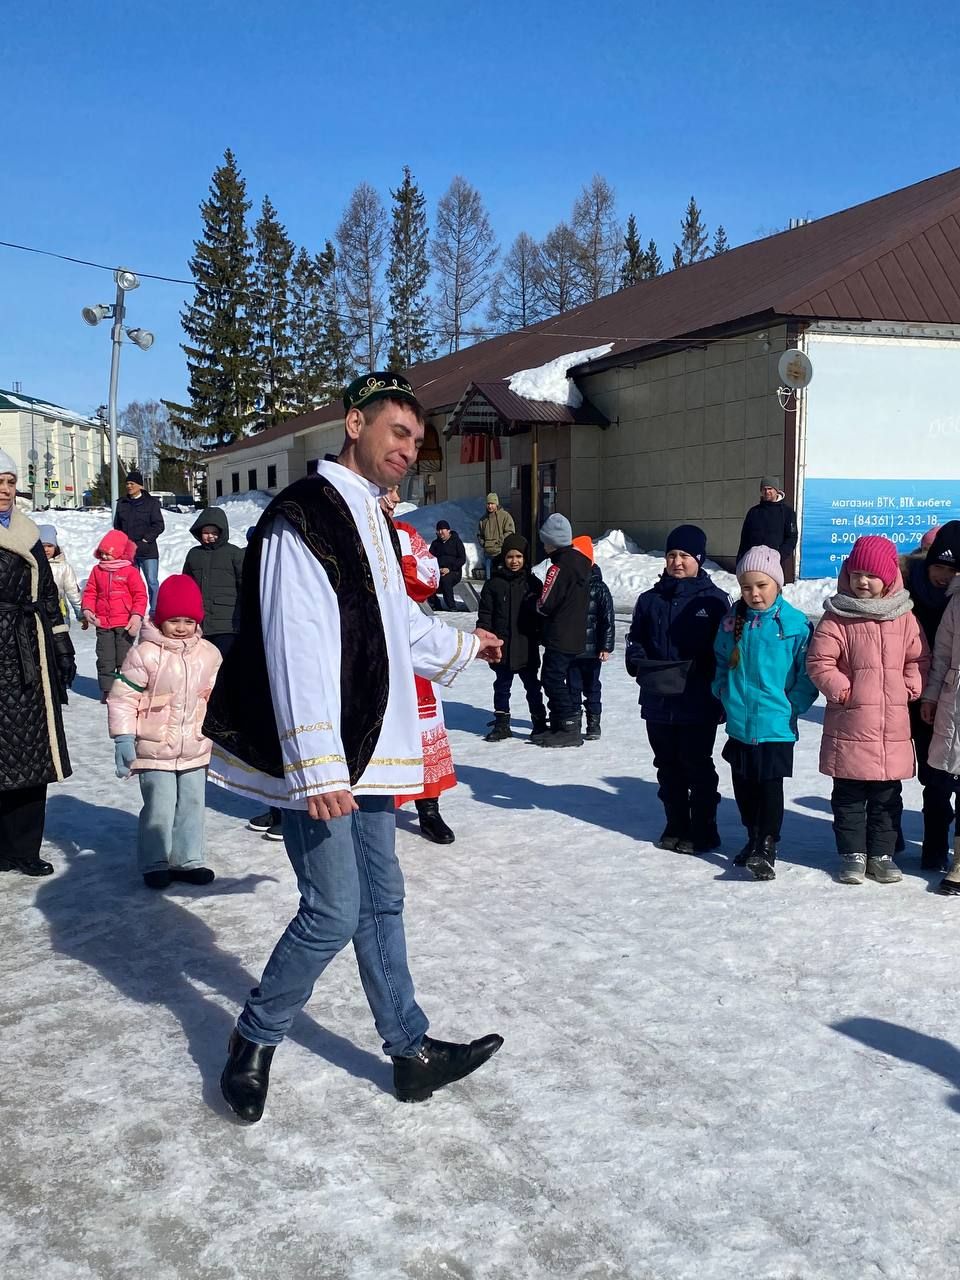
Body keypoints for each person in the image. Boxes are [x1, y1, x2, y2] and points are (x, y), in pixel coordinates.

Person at [203, 371, 504, 1122]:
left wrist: (466, 646)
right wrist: (316, 766)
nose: (410, 449)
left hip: (371, 745)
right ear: (353, 424)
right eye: (396, 433)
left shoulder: (370, 517)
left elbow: (394, 625)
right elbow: (294, 643)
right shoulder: (302, 516)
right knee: (334, 910)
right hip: (329, 751)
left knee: (382, 899)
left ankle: (410, 1052)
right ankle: (254, 1035)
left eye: (416, 438)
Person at [807, 536, 928, 885]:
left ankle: (882, 854)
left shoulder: (905, 617)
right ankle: (852, 854)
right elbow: (819, 661)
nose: (863, 582)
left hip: (891, 729)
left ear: (888, 577)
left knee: (887, 798)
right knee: (848, 797)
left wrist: (910, 687)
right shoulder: (837, 616)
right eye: (857, 573)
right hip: (850, 724)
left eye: (871, 575)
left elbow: (920, 658)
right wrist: (843, 689)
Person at [108, 575, 223, 889]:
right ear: (160, 620)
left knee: (191, 805)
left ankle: (187, 860)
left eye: (188, 620)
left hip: (195, 747)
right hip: (154, 746)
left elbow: (218, 696)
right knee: (159, 806)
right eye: (174, 620)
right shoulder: (145, 653)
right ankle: (155, 862)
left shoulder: (209, 654)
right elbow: (123, 696)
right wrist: (123, 737)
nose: (182, 627)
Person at [713, 545, 816, 881]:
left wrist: (793, 705)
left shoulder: (795, 625)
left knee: (769, 785)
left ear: (778, 585)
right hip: (741, 722)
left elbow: (807, 674)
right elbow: (719, 660)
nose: (754, 594)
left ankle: (768, 843)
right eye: (747, 587)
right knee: (744, 785)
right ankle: (752, 836)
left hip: (776, 723)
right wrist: (723, 691)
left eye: (762, 585)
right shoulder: (732, 621)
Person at [626, 525, 729, 854]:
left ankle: (703, 828)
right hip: (658, 700)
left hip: (698, 700)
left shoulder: (714, 601)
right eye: (672, 555)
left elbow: (725, 650)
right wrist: (636, 660)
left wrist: (713, 682)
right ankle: (675, 823)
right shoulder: (649, 600)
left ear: (699, 559)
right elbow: (637, 640)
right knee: (667, 765)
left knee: (697, 764)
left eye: (685, 555)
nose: (677, 561)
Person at [0, 451, 76, 877]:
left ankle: (24, 848)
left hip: (29, 654)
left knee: (30, 755)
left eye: (10, 482)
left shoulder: (29, 534)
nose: (6, 490)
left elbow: (47, 595)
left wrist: (62, 646)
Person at [383, 487, 459, 844]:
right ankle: (370, 812)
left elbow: (428, 579)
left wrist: (400, 561)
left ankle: (429, 809)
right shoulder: (341, 530)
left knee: (420, 723)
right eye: (387, 490)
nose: (395, 497)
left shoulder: (405, 533)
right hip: (359, 645)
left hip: (407, 641)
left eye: (397, 491)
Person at [901, 520, 960, 868]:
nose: (943, 575)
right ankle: (934, 846)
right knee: (932, 775)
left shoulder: (956, 600)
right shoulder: (907, 589)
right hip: (918, 695)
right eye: (938, 565)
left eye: (952, 569)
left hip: (951, 697)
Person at [477, 532, 546, 742]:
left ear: (525, 558)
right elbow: (485, 614)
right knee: (501, 685)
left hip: (526, 645)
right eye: (509, 557)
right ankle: (502, 723)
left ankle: (540, 722)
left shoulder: (533, 584)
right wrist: (484, 636)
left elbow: (542, 613)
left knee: (533, 686)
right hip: (502, 645)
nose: (514, 561)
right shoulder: (493, 584)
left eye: (518, 557)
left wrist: (541, 633)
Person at [532, 513, 591, 748]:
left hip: (560, 633)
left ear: (551, 542)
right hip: (576, 632)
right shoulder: (582, 562)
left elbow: (545, 603)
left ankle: (567, 725)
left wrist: (535, 604)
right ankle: (560, 723)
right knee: (561, 678)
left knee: (552, 678)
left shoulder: (558, 567)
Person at [921, 567, 960, 895]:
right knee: (948, 780)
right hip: (955, 702)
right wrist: (931, 695)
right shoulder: (957, 601)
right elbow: (943, 655)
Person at [81, 530, 147, 700]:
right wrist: (88, 609)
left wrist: (136, 615)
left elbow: (140, 595)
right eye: (101, 553)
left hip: (124, 623)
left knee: (124, 658)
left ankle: (125, 688)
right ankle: (107, 690)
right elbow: (90, 592)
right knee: (105, 657)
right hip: (103, 622)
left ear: (118, 552)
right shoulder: (97, 571)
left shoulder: (130, 571)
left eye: (108, 554)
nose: (104, 557)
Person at [568, 536, 615, 741]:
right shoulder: (568, 585)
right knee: (572, 687)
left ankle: (593, 722)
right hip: (572, 649)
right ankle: (574, 721)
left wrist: (606, 646)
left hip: (593, 651)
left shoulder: (600, 588)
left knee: (592, 687)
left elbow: (608, 620)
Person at [182, 506, 244, 659]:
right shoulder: (194, 554)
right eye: (206, 532)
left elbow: (244, 585)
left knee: (225, 662)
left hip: (228, 623)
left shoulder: (234, 553)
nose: (210, 536)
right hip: (201, 622)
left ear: (222, 532)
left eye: (214, 533)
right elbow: (186, 584)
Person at [114, 469, 164, 613]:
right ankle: (134, 610)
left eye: (132, 483)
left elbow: (159, 525)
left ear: (140, 486)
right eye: (127, 484)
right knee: (131, 583)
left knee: (152, 582)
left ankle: (154, 611)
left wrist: (145, 539)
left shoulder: (151, 503)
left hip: (148, 551)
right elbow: (117, 527)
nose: (129, 486)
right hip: (129, 552)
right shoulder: (122, 503)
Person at [737, 477, 798, 568]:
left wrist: (779, 555)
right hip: (753, 562)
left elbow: (791, 538)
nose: (767, 492)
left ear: (776, 490)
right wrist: (740, 560)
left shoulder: (787, 512)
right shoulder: (753, 512)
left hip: (776, 563)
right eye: (764, 489)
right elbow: (744, 539)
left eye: (770, 488)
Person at [36, 523, 82, 626]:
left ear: (55, 547)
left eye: (50, 546)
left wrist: (81, 614)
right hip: (37, 614)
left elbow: (73, 591)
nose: (46, 549)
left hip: (59, 613)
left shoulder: (63, 567)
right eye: (43, 546)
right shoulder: (33, 565)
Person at [428, 520, 467, 610]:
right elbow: (430, 558)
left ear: (448, 530)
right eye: (438, 530)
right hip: (438, 570)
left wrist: (449, 568)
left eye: (442, 530)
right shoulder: (435, 543)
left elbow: (462, 559)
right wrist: (437, 569)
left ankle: (451, 606)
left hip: (454, 571)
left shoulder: (457, 542)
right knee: (429, 580)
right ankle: (434, 604)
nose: (440, 532)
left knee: (446, 580)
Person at [477, 493, 515, 579]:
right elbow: (480, 534)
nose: (490, 506)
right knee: (489, 579)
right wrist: (483, 543)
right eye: (488, 504)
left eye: (492, 504)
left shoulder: (505, 516)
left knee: (501, 577)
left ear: (496, 504)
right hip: (488, 554)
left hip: (501, 552)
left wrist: (500, 541)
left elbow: (510, 531)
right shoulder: (483, 519)